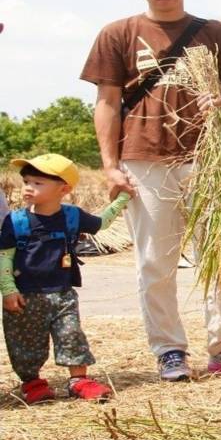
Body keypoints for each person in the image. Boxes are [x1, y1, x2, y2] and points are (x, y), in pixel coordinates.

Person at [80, 0, 221, 382]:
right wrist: (110, 165)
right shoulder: (118, 33)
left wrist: (219, 99)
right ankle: (169, 349)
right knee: (154, 260)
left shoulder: (216, 31)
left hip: (209, 159)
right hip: (144, 157)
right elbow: (107, 102)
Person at [1, 154, 130, 403]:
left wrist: (123, 198)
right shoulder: (15, 221)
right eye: (27, 181)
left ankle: (79, 380)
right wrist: (7, 289)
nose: (28, 187)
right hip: (24, 296)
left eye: (38, 183)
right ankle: (32, 383)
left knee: (71, 335)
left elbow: (102, 223)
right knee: (24, 343)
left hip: (63, 292)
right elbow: (4, 256)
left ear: (64, 189)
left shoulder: (73, 216)